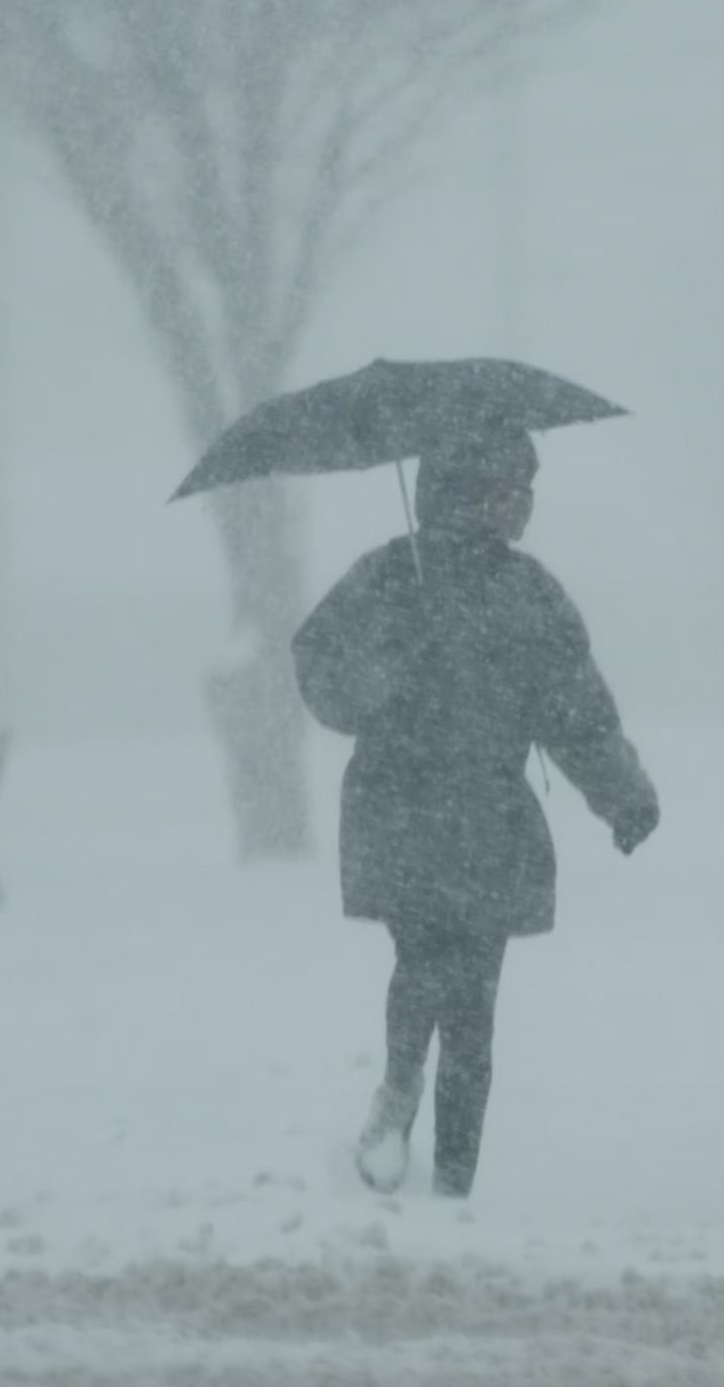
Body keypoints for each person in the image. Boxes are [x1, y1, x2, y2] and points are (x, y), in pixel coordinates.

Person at [291, 426, 657, 1199]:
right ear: (468, 494)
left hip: (478, 820)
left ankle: (449, 1174)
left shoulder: (522, 593)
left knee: (467, 1005)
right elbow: (318, 663)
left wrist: (623, 795)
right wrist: (379, 680)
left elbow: (578, 717)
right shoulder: (402, 578)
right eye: (511, 489)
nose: (524, 505)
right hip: (413, 812)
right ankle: (405, 1100)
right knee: (435, 968)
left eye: (529, 489)